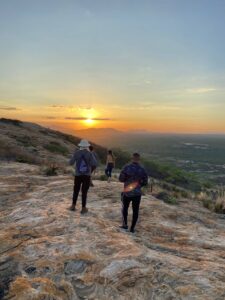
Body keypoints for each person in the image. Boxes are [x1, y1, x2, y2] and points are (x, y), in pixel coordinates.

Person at [119, 153, 148, 233]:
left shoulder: (126, 167)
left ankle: (125, 225)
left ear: (132, 158)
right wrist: (138, 185)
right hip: (137, 193)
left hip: (127, 193)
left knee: (125, 209)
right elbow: (145, 182)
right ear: (139, 159)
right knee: (135, 211)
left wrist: (128, 181)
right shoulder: (142, 169)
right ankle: (132, 228)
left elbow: (121, 179)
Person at [69, 139, 97, 213]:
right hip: (86, 176)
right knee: (84, 192)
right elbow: (94, 163)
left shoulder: (76, 153)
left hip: (78, 175)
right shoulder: (90, 154)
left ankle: (73, 206)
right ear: (87, 146)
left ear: (80, 146)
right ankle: (83, 208)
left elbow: (70, 163)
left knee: (76, 190)